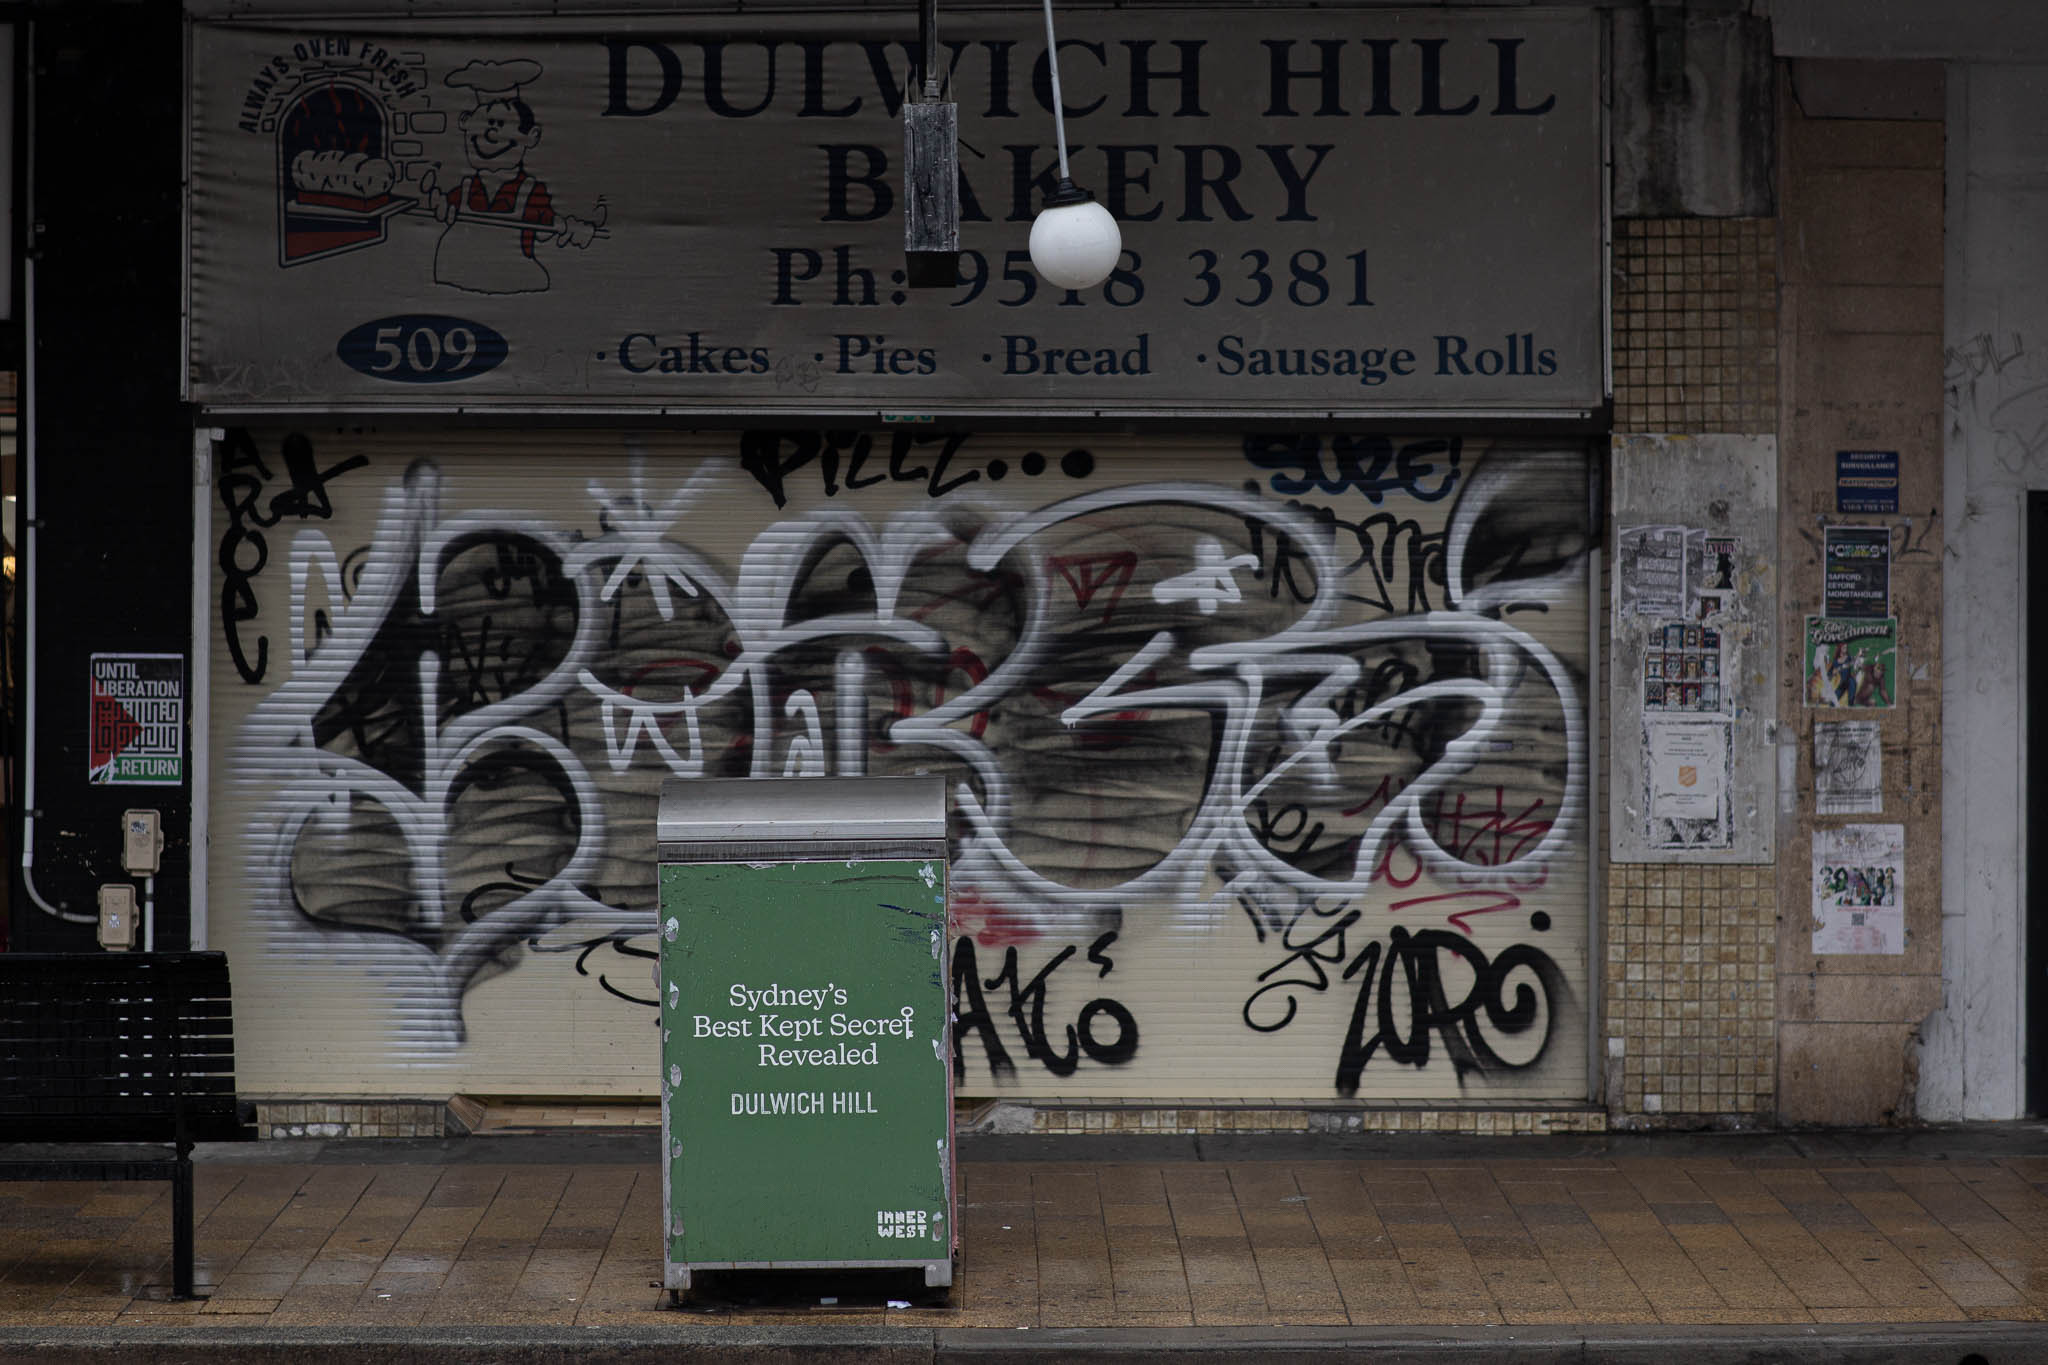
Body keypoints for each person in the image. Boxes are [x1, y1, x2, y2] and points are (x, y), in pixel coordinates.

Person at [432, 59, 596, 294]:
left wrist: (570, 229)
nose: (491, 132)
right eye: (484, 124)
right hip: (453, 287)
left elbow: (546, 227)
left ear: (531, 136)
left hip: (513, 291)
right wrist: (438, 206)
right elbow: (441, 208)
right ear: (466, 124)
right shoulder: (464, 190)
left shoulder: (532, 193)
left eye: (502, 124)